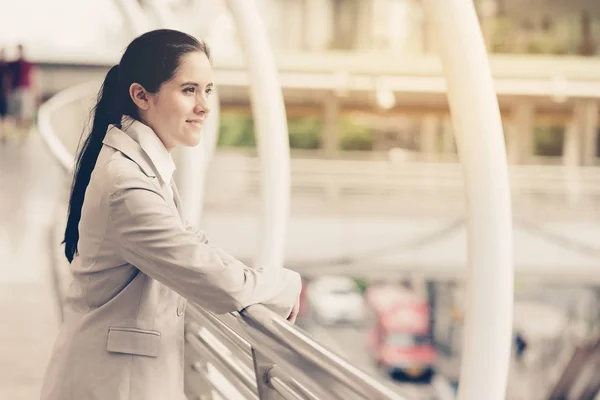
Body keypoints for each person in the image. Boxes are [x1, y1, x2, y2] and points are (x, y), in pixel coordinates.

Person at [40, 29, 301, 400]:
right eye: (189, 90)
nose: (205, 105)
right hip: (113, 384)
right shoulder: (127, 185)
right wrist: (284, 283)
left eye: (208, 90)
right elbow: (221, 282)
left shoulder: (142, 166)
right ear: (141, 95)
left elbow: (192, 247)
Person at [7, 44, 36, 138]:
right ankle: (19, 132)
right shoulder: (13, 63)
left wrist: (35, 90)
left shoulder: (28, 63)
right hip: (15, 90)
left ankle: (24, 133)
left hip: (25, 90)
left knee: (24, 113)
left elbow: (33, 76)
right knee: (16, 113)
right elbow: (8, 77)